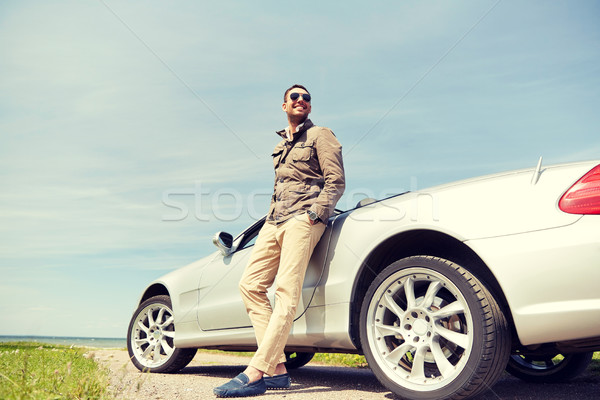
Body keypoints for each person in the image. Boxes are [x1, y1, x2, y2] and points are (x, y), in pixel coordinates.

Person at [213, 84, 345, 397]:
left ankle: (256, 371)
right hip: (273, 222)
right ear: (283, 105)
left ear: (310, 108)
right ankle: (278, 368)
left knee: (286, 291)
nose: (302, 101)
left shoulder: (320, 135)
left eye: (307, 98)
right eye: (295, 97)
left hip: (302, 219)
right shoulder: (281, 146)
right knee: (250, 285)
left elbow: (335, 181)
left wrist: (315, 215)